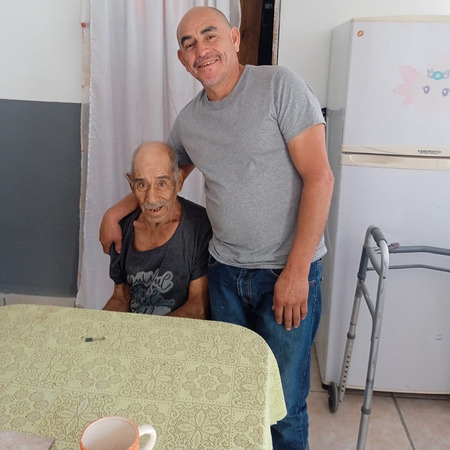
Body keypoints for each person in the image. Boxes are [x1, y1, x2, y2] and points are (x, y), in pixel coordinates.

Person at [100, 7, 334, 449]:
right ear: (181, 58)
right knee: (230, 396)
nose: (201, 49)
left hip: (285, 272)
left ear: (234, 39)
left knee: (282, 407)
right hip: (225, 273)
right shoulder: (190, 121)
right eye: (188, 43)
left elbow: (320, 178)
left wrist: (297, 271)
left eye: (210, 36)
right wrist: (116, 212)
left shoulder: (279, 86)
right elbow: (163, 177)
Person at [103, 141, 212, 319]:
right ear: (131, 185)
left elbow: (197, 307)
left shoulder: (200, 226)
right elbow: (121, 297)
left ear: (178, 182)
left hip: (180, 331)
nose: (151, 199)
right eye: (142, 185)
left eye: (162, 184)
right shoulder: (122, 228)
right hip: (136, 326)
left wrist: (150, 333)